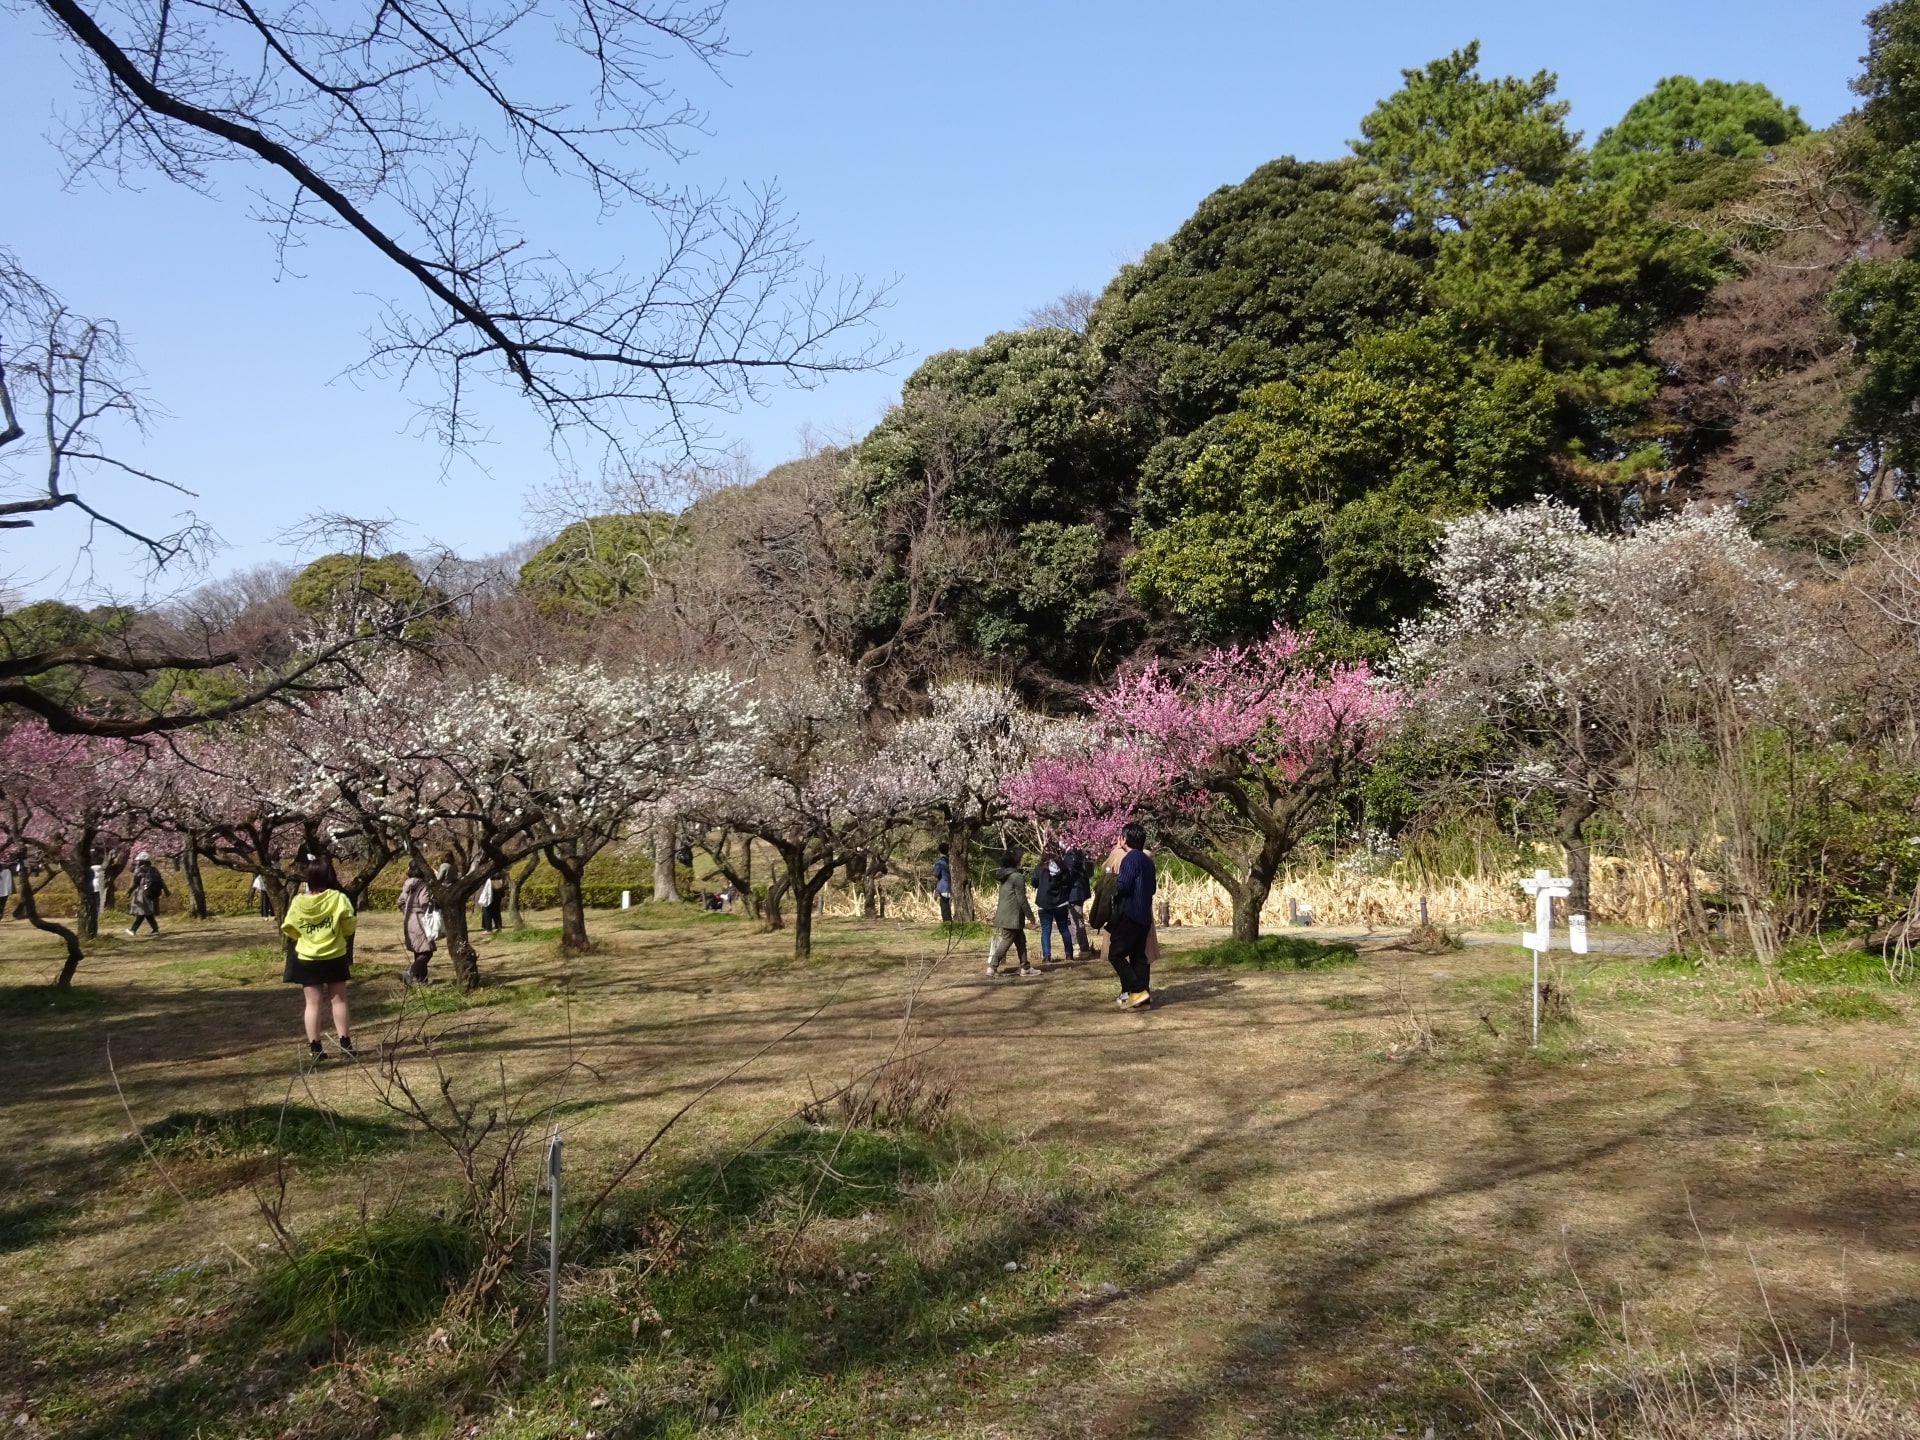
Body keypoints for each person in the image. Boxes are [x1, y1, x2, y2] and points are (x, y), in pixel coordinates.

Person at [281, 856, 358, 1061]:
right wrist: (339, 933)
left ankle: (315, 1049)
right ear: (330, 876)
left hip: (307, 957)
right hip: (335, 955)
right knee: (338, 1000)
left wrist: (306, 937)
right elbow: (350, 924)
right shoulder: (338, 898)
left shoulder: (299, 901)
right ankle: (345, 1045)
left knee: (312, 1003)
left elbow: (289, 928)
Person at [1109, 823, 1157, 1011]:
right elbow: (1152, 888)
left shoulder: (1130, 859)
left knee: (1116, 954)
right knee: (1138, 957)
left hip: (1130, 914)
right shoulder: (1148, 861)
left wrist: (1112, 887)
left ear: (1125, 838)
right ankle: (1142, 1000)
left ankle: (1138, 990)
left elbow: (1123, 886)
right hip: (1144, 916)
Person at [986, 848, 1038, 977]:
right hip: (1012, 916)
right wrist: (1030, 916)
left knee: (1021, 941)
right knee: (1007, 941)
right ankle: (992, 967)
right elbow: (1022, 898)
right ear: (1016, 861)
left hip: (1005, 914)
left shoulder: (1004, 875)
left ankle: (1025, 967)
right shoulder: (1017, 877)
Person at [1030, 846, 1075, 964]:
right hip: (1060, 902)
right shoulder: (1062, 867)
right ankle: (1069, 955)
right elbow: (1067, 882)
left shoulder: (1040, 867)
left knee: (1046, 930)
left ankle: (1046, 956)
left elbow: (1034, 882)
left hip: (1043, 903)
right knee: (1064, 929)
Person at [397, 864, 438, 984]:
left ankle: (422, 980)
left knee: (418, 950)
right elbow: (424, 903)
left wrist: (408, 912)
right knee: (427, 951)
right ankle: (410, 973)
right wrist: (433, 907)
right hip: (420, 921)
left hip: (409, 920)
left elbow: (400, 902)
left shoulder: (407, 884)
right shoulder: (422, 885)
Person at [124, 851, 167, 936]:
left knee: (143, 912)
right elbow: (161, 881)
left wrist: (129, 891)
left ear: (141, 861)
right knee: (147, 913)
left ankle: (134, 929)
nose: (137, 862)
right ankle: (154, 929)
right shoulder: (154, 869)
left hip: (143, 894)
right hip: (153, 894)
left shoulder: (139, 870)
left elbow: (135, 883)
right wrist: (166, 890)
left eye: (138, 860)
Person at [1064, 845, 1096, 959]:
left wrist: (1063, 886)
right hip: (1080, 891)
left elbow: (1069, 875)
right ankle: (1080, 946)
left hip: (1074, 892)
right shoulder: (1081, 853)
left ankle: (1082, 947)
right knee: (1074, 920)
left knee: (1075, 920)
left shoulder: (1072, 855)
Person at [933, 843, 953, 924]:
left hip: (943, 887)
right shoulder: (950, 861)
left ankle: (947, 924)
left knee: (944, 908)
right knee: (948, 907)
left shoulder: (940, 862)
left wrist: (934, 867)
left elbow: (936, 874)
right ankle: (949, 923)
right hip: (950, 887)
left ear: (939, 851)